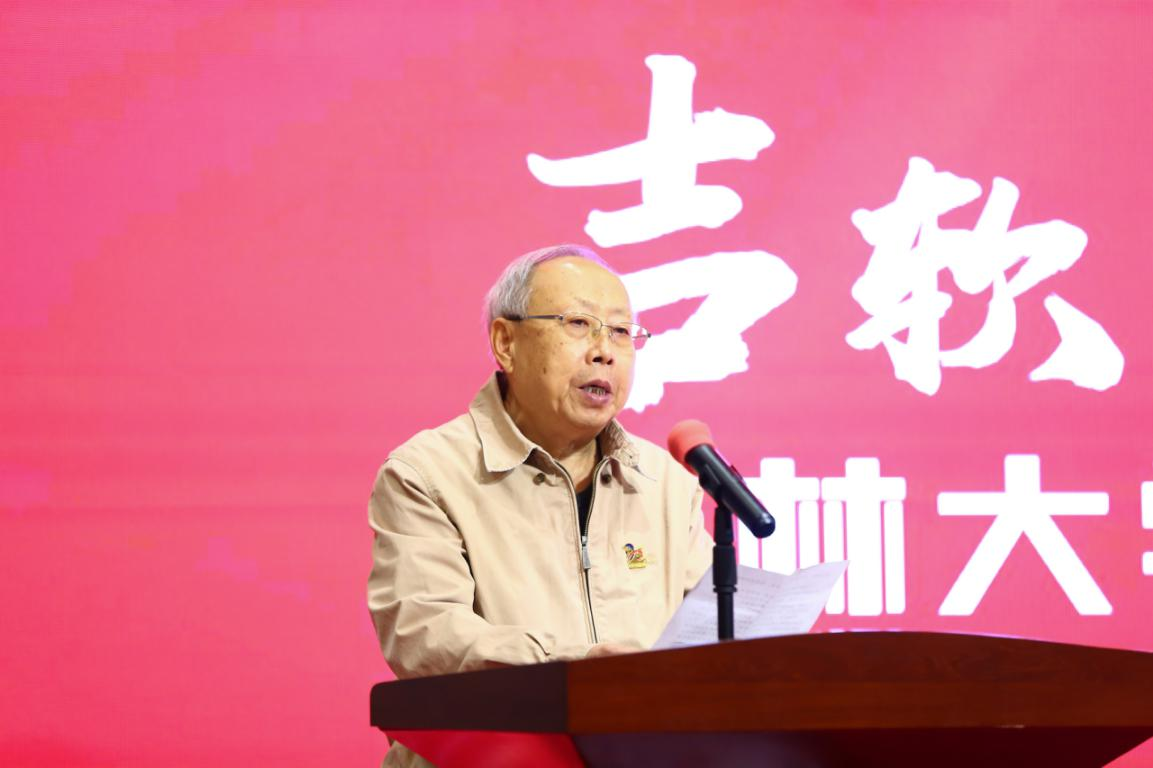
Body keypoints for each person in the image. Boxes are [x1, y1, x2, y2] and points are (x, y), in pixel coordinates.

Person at [367, 244, 712, 765]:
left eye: (621, 331)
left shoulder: (665, 481)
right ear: (506, 343)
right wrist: (575, 669)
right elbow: (426, 637)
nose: (605, 351)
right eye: (579, 324)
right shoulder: (428, 473)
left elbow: (708, 638)